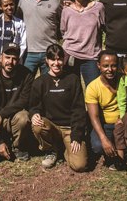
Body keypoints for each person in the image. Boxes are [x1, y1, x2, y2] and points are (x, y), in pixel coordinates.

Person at [86, 51, 127, 175]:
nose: (110, 69)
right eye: (105, 66)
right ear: (98, 66)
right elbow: (93, 116)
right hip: (107, 124)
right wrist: (103, 138)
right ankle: (117, 153)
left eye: (114, 65)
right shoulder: (93, 87)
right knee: (98, 145)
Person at [29, 44, 88, 172]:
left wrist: (76, 135)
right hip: (52, 128)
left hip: (69, 129)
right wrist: (34, 114)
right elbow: (34, 107)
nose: (56, 63)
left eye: (59, 59)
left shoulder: (73, 79)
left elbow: (79, 110)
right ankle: (50, 150)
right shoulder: (39, 82)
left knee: (79, 165)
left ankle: (64, 149)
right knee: (38, 125)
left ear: (63, 60)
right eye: (52, 59)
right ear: (47, 60)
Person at [0, 43, 34, 163]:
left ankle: (18, 146)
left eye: (14, 58)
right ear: (1, 58)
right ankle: (3, 145)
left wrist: (2, 114)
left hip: (15, 117)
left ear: (19, 60)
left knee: (24, 117)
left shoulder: (27, 75)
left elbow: (24, 100)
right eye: (7, 57)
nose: (10, 61)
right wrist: (0, 141)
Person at [16, 0, 63, 76]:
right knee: (25, 85)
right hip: (28, 52)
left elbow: (64, 21)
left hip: (50, 52)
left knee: (48, 86)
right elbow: (18, 21)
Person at [60, 0, 105, 86]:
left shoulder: (98, 7)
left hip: (91, 57)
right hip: (70, 55)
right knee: (72, 91)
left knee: (93, 90)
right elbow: (63, 31)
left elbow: (104, 27)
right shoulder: (67, 11)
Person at [0, 0, 27, 68]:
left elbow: (22, 44)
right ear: (0, 7)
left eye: (11, 4)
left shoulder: (20, 23)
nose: (9, 7)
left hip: (12, 63)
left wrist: (13, 58)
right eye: (6, 5)